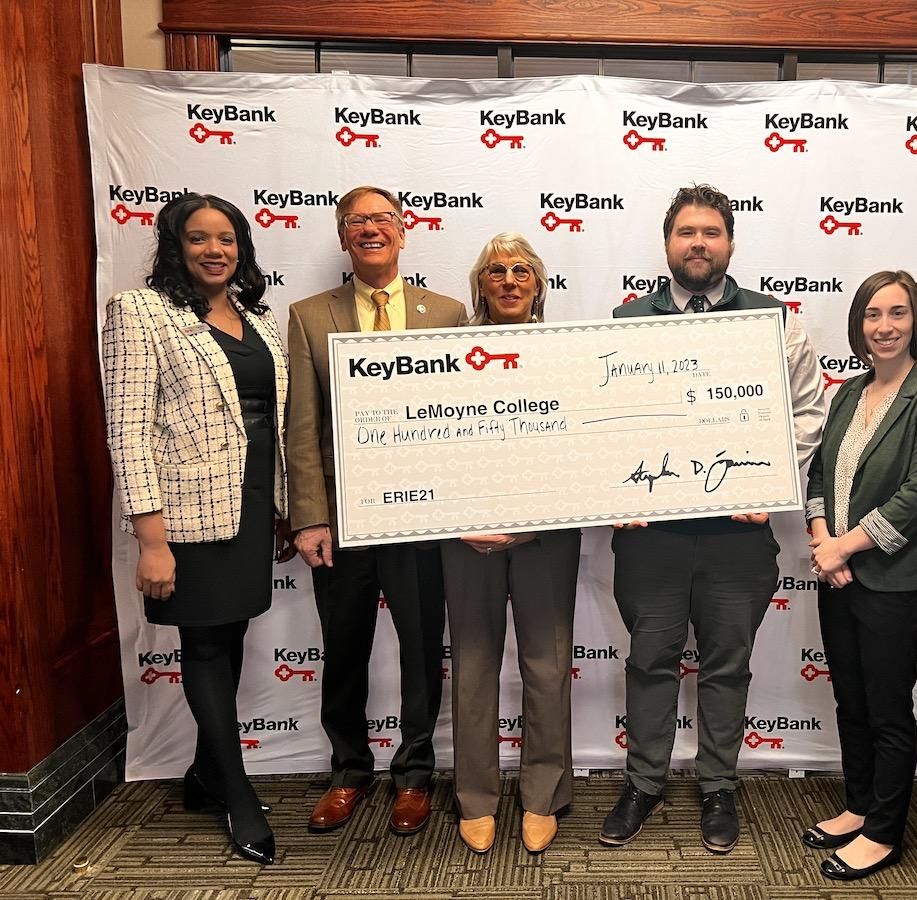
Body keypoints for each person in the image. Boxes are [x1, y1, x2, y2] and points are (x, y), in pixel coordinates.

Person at [600, 184, 824, 853]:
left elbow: (807, 415)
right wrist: (617, 490)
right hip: (652, 539)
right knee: (650, 663)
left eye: (712, 232)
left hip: (738, 535)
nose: (699, 243)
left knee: (728, 665)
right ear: (667, 243)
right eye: (686, 233)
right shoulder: (623, 323)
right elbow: (605, 424)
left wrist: (770, 484)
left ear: (730, 242)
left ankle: (720, 785)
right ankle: (643, 781)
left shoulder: (775, 321)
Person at [102, 193, 289, 865]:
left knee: (230, 635)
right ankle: (234, 792)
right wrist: (152, 540)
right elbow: (128, 432)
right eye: (199, 238)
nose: (215, 250)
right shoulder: (140, 312)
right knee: (206, 646)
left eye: (227, 238)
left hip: (251, 506)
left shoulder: (258, 318)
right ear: (174, 245)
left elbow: (271, 417)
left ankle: (207, 775)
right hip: (184, 516)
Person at [286, 186, 468, 837]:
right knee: (344, 648)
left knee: (422, 649)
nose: (370, 229)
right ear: (343, 237)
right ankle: (349, 770)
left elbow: (463, 420)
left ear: (403, 230)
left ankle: (414, 773)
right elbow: (301, 427)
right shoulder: (309, 315)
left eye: (381, 219)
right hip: (341, 518)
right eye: (357, 221)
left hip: (420, 516)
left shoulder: (446, 313)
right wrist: (308, 516)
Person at [800, 271, 917, 880]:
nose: (885, 327)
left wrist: (845, 547)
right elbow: (818, 475)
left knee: (888, 707)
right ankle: (860, 804)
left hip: (895, 579)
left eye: (898, 314)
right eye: (873, 314)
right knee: (850, 699)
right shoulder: (847, 394)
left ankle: (885, 831)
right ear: (859, 325)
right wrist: (823, 542)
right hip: (837, 573)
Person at [443, 233, 582, 855]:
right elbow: (426, 443)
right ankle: (475, 796)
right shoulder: (444, 354)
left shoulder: (568, 353)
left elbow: (584, 446)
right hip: (465, 534)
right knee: (473, 667)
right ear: (481, 284)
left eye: (521, 270)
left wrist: (538, 521)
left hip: (546, 537)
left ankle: (543, 795)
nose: (508, 280)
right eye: (495, 270)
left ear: (538, 284)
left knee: (547, 667)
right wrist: (457, 518)